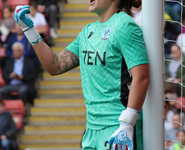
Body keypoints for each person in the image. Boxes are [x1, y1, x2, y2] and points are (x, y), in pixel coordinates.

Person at [14, 0, 150, 149]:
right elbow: (55, 66)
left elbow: (142, 77)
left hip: (117, 127)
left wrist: (127, 123)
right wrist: (29, 30)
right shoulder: (87, 32)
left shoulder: (125, 25)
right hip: (91, 130)